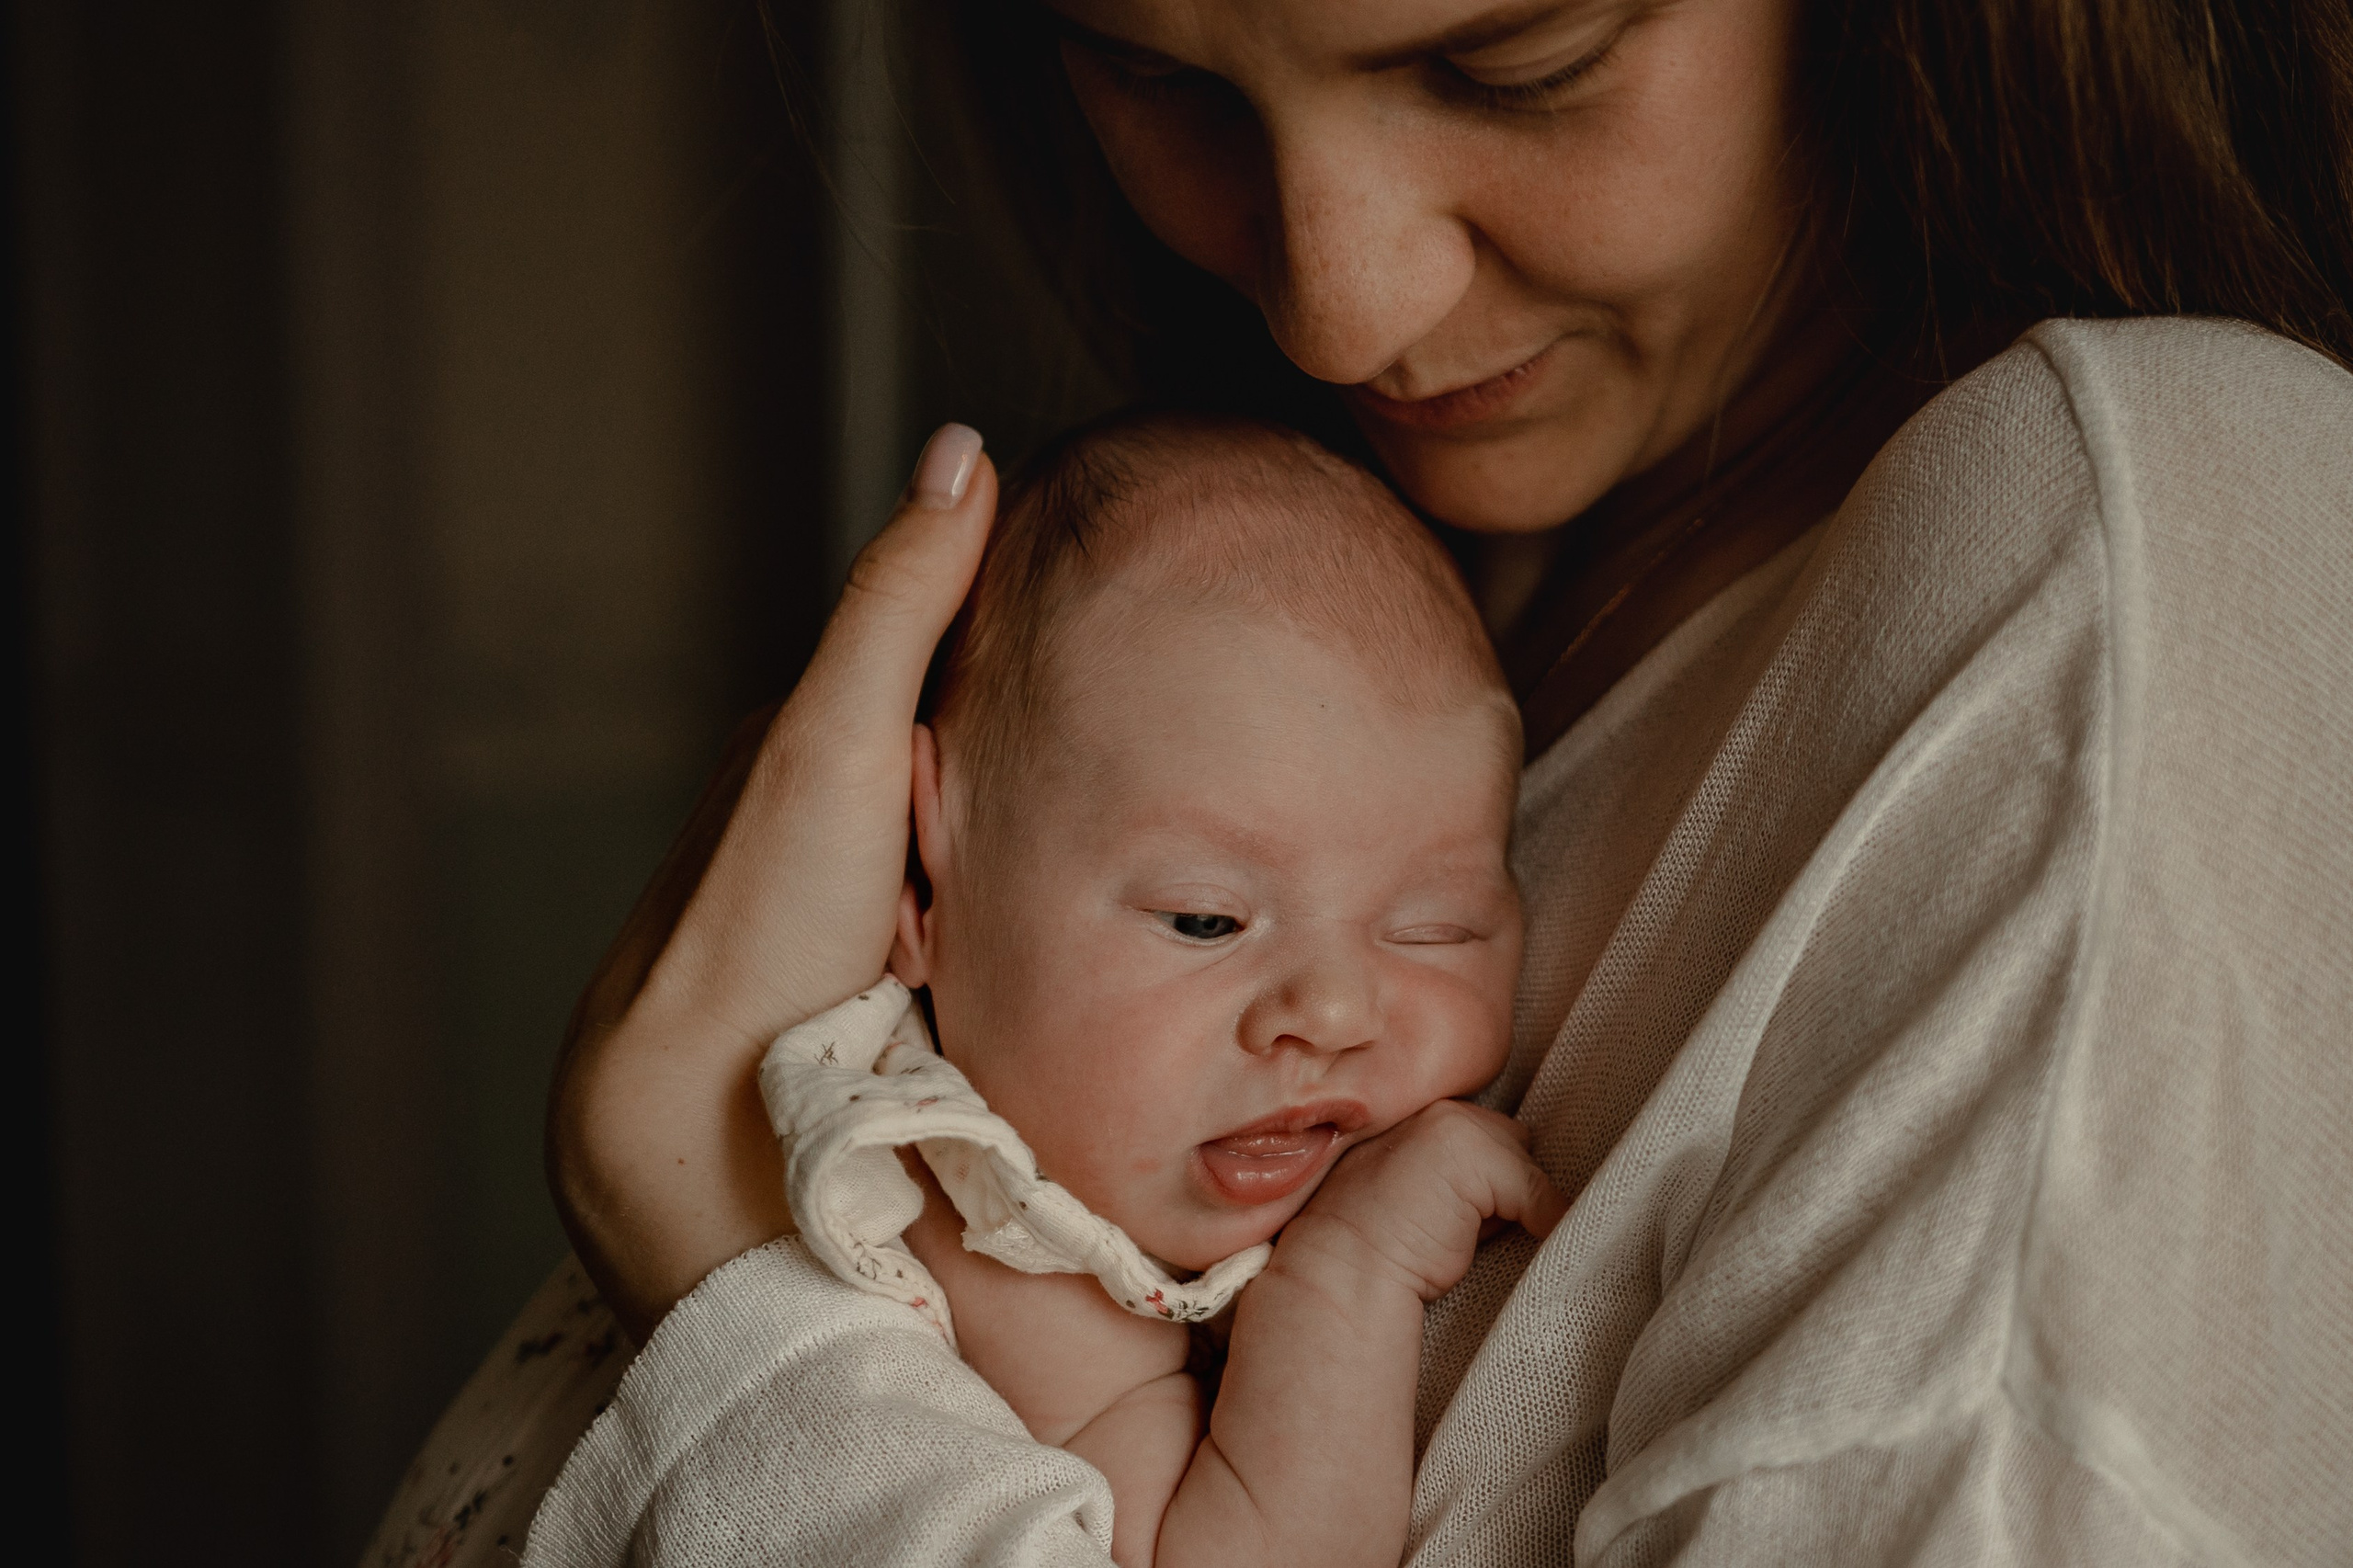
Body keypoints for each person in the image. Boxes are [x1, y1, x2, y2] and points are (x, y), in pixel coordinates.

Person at [462, 0, 2353, 1562]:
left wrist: (721, 1248)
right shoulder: (1333, 609)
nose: (1334, 309)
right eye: (1158, 76)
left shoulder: (2142, 578)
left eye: (1512, 61)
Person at [702, 413, 1563, 1568]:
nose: (1338, 1012)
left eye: (1433, 927)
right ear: (918, 880)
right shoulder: (988, 1233)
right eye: (1205, 919)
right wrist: (1347, 1273)